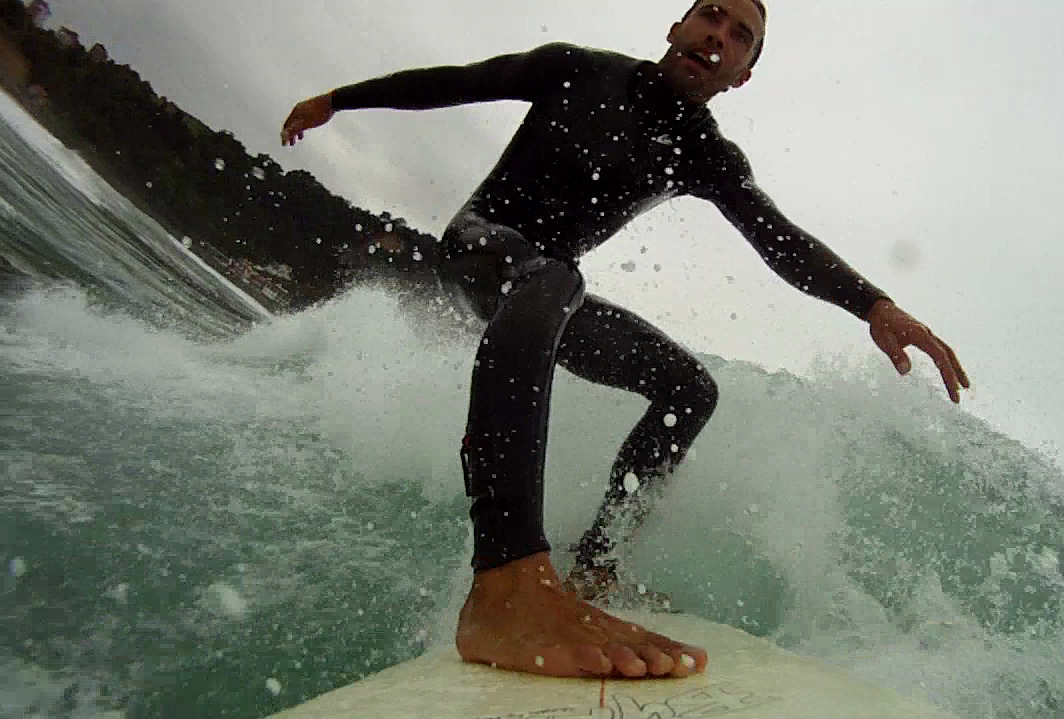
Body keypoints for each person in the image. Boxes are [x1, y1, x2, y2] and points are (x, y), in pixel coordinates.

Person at [281, 0, 970, 680]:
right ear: (676, 27)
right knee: (551, 279)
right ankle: (506, 579)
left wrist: (872, 304)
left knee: (689, 388)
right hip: (480, 246)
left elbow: (778, 238)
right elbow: (458, 81)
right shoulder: (576, 69)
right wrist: (337, 100)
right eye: (711, 16)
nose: (718, 37)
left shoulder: (706, 155)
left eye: (740, 37)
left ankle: (598, 566)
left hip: (549, 291)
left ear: (741, 76)